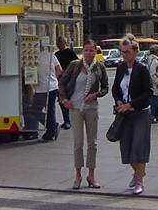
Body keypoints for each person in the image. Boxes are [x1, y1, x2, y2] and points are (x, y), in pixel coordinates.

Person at [58, 40, 109, 189]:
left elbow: (105, 87)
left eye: (91, 50)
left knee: (92, 143)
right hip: (75, 107)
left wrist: (96, 94)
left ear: (95, 52)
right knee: (78, 143)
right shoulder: (75, 65)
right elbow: (62, 83)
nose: (88, 53)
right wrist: (64, 99)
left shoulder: (99, 67)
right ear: (83, 52)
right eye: (86, 50)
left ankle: (91, 175)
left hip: (91, 107)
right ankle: (78, 175)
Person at [112, 37, 152, 195]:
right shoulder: (121, 68)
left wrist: (131, 104)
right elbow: (115, 88)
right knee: (126, 146)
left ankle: (139, 181)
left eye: (127, 52)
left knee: (139, 146)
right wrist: (118, 101)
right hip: (125, 113)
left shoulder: (142, 69)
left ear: (135, 52)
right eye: (122, 52)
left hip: (140, 112)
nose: (124, 55)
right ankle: (138, 172)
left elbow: (148, 92)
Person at [32, 44, 62, 141]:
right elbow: (59, 70)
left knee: (35, 110)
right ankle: (52, 127)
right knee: (50, 110)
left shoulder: (33, 57)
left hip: (41, 88)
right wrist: (54, 79)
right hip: (52, 87)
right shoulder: (51, 55)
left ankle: (51, 130)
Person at [55, 36, 78, 130]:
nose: (58, 44)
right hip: (59, 80)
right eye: (58, 42)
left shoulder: (70, 53)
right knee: (62, 101)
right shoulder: (56, 54)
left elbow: (77, 64)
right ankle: (67, 120)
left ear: (65, 43)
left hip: (69, 80)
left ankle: (71, 120)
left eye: (60, 42)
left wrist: (67, 71)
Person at [146, 44, 158, 124]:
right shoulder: (154, 60)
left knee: (153, 101)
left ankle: (153, 116)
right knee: (156, 102)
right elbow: (152, 73)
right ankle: (154, 116)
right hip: (155, 85)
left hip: (151, 84)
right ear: (157, 52)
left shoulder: (148, 58)